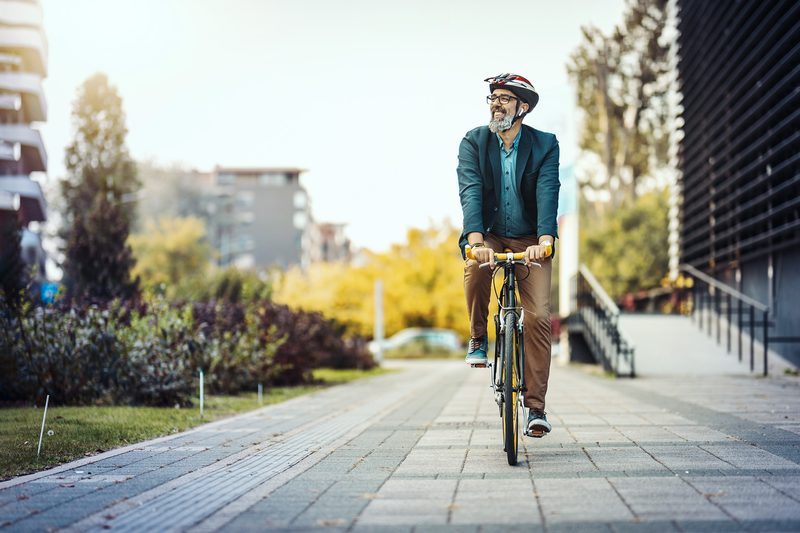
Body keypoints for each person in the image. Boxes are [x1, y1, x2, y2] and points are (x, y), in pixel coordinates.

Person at [457, 73, 560, 437]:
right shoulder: (474, 141)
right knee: (476, 266)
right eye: (492, 98)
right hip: (491, 234)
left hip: (532, 238)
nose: (495, 103)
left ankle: (536, 410)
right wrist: (476, 240)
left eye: (504, 98)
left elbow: (549, 190)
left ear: (523, 107)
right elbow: (470, 190)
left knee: (536, 317)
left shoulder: (545, 144)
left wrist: (545, 239)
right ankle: (478, 338)